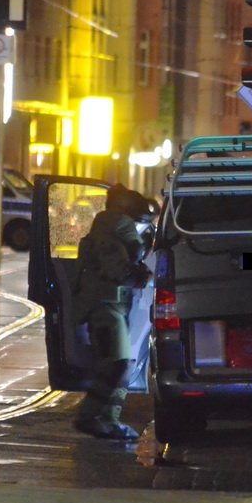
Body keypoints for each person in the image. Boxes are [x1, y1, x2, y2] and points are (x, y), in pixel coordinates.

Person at [72, 184, 158, 440]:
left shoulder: (106, 230)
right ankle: (90, 416)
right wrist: (141, 264)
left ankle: (108, 420)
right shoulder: (114, 230)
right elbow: (121, 270)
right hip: (106, 309)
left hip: (112, 308)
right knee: (117, 364)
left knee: (122, 365)